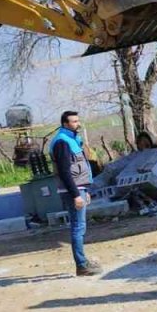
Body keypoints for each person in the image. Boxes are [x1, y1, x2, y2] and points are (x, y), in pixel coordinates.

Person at [49, 111, 102, 276]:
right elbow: (65, 172)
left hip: (79, 188)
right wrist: (76, 195)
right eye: (74, 121)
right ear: (65, 124)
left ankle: (83, 262)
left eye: (78, 121)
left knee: (79, 227)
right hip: (72, 190)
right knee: (78, 227)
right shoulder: (62, 142)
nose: (77, 124)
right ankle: (82, 265)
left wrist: (84, 190)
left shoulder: (71, 139)